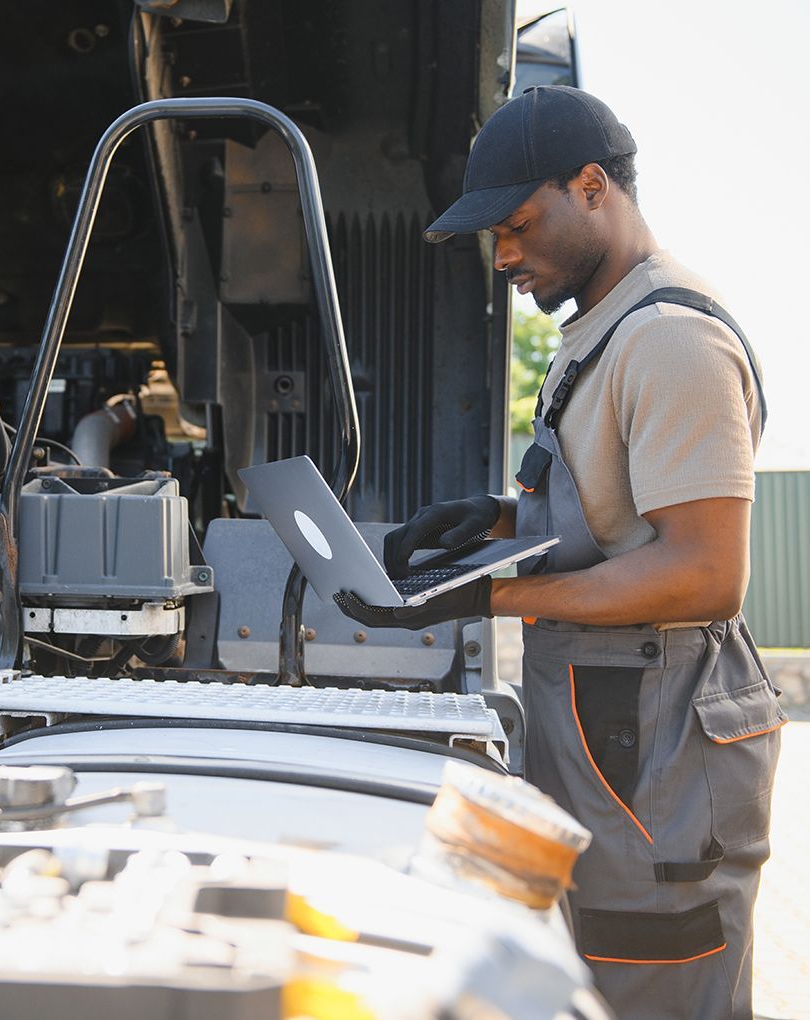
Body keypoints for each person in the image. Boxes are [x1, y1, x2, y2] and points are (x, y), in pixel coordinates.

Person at [335, 85, 783, 1020]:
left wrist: (486, 601)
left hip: (660, 760)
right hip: (611, 736)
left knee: (649, 983)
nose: (501, 256)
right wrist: (489, 524)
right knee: (587, 982)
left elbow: (706, 572)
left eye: (517, 225)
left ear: (592, 188)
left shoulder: (670, 341)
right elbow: (618, 517)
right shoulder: (604, 331)